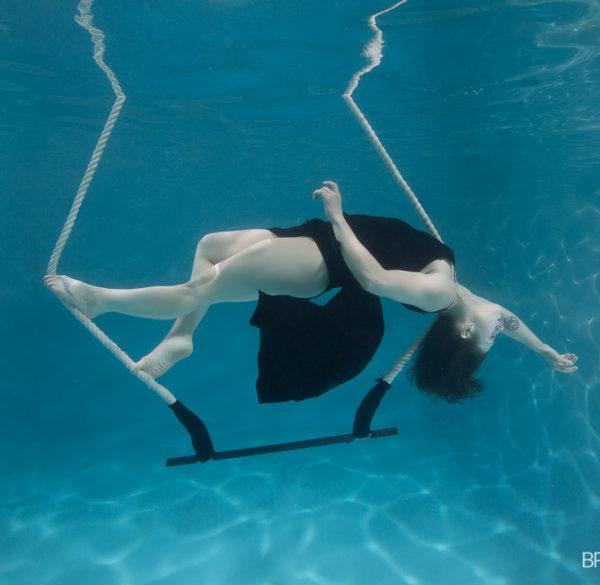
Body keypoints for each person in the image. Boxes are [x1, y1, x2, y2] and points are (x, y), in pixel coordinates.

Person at [44, 181, 578, 405]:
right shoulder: (475, 305)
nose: (500, 329)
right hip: (314, 241)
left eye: (489, 338)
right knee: (208, 246)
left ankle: (102, 301)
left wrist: (339, 217)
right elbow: (513, 324)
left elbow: (372, 280)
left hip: (322, 261)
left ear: (463, 331)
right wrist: (548, 352)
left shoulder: (440, 294)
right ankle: (182, 340)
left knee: (198, 287)